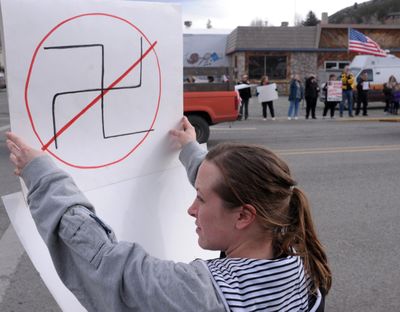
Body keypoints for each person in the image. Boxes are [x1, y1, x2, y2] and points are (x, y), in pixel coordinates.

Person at [6, 118, 331, 311]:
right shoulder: (300, 261)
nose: (190, 209)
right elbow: (231, 186)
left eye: (200, 200)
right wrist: (192, 150)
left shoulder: (199, 295)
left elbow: (106, 264)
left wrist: (44, 177)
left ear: (244, 216)